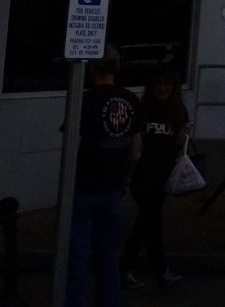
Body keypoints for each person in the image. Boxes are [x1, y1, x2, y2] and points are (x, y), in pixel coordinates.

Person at [66, 48, 143, 307]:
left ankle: (73, 301)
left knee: (77, 252)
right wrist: (126, 178)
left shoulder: (85, 99)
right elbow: (135, 147)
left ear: (93, 69)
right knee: (107, 252)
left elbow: (71, 138)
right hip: (113, 184)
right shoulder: (131, 99)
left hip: (84, 183)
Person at [120, 70, 187, 291]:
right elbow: (133, 142)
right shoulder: (142, 109)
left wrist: (183, 138)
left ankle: (124, 269)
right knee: (153, 223)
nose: (162, 88)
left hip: (164, 178)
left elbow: (180, 143)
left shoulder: (178, 110)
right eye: (158, 84)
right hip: (142, 176)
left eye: (167, 83)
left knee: (145, 224)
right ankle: (162, 273)